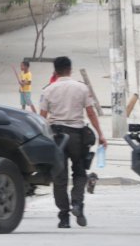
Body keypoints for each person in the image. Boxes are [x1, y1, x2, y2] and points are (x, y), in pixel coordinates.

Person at [40, 56, 106, 228]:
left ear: (55, 71)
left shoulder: (48, 90)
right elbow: (91, 113)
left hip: (56, 137)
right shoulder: (82, 88)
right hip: (77, 136)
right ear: (70, 69)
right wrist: (100, 134)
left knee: (59, 177)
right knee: (79, 172)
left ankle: (63, 217)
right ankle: (77, 203)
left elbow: (41, 117)